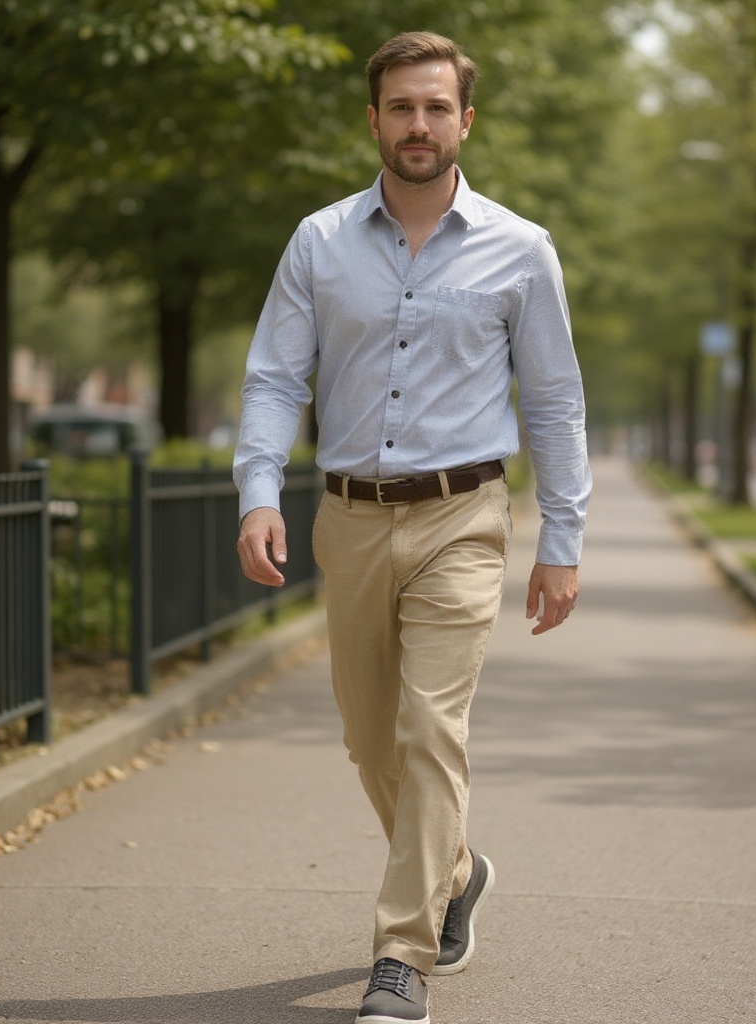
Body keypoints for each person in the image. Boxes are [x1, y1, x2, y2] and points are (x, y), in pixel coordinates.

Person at [234, 30, 591, 1024]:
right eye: (401, 107)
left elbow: (555, 404)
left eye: (437, 107)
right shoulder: (318, 242)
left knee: (430, 726)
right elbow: (273, 378)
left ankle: (400, 956)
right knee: (367, 737)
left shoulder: (522, 249)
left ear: (464, 120)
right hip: (346, 518)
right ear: (375, 120)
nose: (419, 124)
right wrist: (256, 491)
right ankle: (458, 870)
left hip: (463, 516)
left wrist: (561, 539)